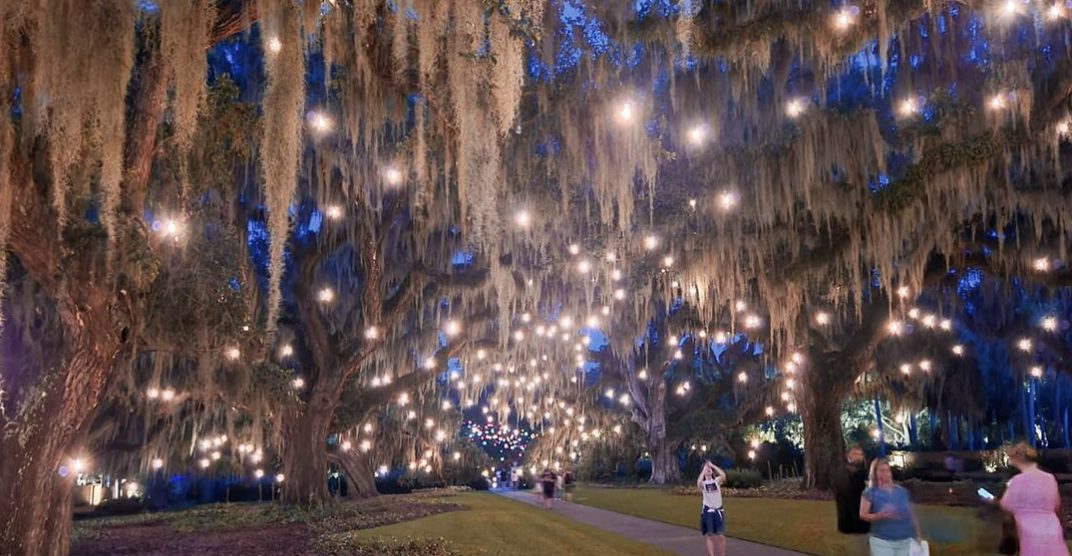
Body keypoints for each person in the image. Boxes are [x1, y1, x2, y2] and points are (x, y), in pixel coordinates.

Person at [998, 442, 1070, 556]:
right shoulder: (1050, 478)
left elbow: (1006, 504)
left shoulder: (1017, 480)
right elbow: (1056, 504)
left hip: (1028, 528)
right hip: (1052, 526)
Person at [859, 458, 922, 556]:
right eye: (881, 470)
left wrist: (917, 535)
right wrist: (880, 515)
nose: (885, 474)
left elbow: (911, 514)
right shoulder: (870, 493)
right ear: (874, 473)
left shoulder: (902, 491)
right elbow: (863, 515)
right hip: (882, 542)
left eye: (887, 470)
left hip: (905, 541)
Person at [836, 446, 871, 534]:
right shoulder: (841, 470)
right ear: (848, 455)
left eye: (860, 454)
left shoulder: (865, 472)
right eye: (855, 454)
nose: (858, 457)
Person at [697, 460, 727, 556]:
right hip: (708, 512)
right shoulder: (704, 484)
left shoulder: (716, 481)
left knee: (721, 535)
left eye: (709, 469)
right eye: (707, 468)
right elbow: (699, 483)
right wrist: (703, 471)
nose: (709, 470)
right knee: (710, 536)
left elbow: (723, 476)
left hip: (719, 511)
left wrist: (713, 466)